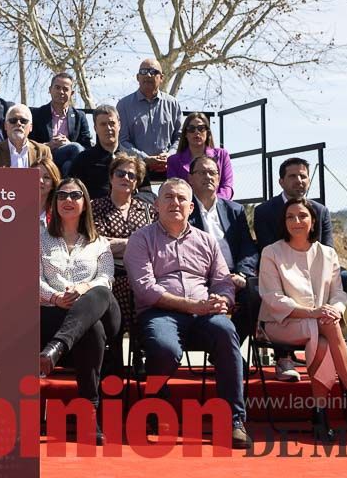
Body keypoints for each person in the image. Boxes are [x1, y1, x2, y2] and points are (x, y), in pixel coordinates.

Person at [126, 178, 251, 449]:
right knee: (165, 349)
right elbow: (146, 289)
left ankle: (234, 421)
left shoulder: (206, 241)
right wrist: (191, 305)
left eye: (181, 198)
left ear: (191, 207)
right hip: (160, 313)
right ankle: (156, 396)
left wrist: (223, 300)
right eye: (168, 197)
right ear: (156, 205)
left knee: (226, 331)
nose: (175, 203)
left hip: (204, 313)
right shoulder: (141, 239)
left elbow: (221, 280)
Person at [251, 157, 347, 381]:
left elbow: (327, 253)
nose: (299, 180)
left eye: (303, 176)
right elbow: (268, 251)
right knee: (285, 283)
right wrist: (315, 308)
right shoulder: (264, 211)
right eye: (292, 176)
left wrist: (333, 308)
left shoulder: (320, 210)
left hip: (317, 271)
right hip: (282, 271)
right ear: (281, 181)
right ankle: (284, 357)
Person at [258, 197, 347, 441]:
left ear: (313, 220)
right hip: (280, 324)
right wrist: (314, 313)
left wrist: (335, 309)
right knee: (323, 325)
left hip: (320, 324)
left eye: (302, 216)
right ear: (283, 222)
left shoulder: (327, 253)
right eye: (290, 217)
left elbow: (339, 293)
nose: (296, 221)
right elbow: (272, 297)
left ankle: (319, 414)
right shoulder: (272, 252)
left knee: (322, 338)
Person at [37, 178, 119, 445]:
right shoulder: (39, 239)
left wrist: (83, 288)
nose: (68, 200)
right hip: (53, 312)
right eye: (62, 195)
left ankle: (57, 347)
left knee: (100, 293)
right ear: (54, 202)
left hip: (100, 310)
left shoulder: (100, 244)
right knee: (90, 330)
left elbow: (105, 279)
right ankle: (88, 414)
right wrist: (55, 296)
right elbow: (30, 279)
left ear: (85, 203)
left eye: (75, 195)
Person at [91, 153, 155, 366]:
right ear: (111, 177)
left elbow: (154, 246)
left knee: (142, 288)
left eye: (131, 175)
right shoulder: (95, 207)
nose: (126, 177)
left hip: (141, 274)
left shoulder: (147, 211)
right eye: (120, 173)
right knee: (122, 288)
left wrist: (117, 243)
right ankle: (116, 357)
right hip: (107, 274)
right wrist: (136, 243)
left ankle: (143, 352)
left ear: (136, 183)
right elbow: (96, 245)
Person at [186, 154, 257, 341]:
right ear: (190, 178)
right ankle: (224, 348)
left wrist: (242, 274)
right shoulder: (184, 209)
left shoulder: (234, 210)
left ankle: (228, 346)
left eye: (212, 173)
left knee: (256, 294)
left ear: (218, 179)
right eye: (202, 172)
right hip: (200, 277)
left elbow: (247, 248)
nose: (208, 176)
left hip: (234, 275)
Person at [115, 58, 182, 179]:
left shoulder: (173, 104)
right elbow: (122, 141)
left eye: (153, 72)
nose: (148, 75)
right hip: (135, 170)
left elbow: (179, 137)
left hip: (169, 168)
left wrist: (169, 155)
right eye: (144, 71)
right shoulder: (123, 105)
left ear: (161, 78)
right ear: (137, 77)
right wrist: (144, 158)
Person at [70, 105, 149, 199]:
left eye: (112, 123)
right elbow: (72, 191)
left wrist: (132, 205)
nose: (108, 128)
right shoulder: (83, 160)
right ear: (95, 128)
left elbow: (147, 193)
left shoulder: (134, 159)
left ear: (119, 125)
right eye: (103, 124)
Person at [29, 72, 93, 176]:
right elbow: (29, 143)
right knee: (75, 148)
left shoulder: (79, 116)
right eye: (57, 88)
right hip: (45, 157)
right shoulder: (36, 114)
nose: (61, 92)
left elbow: (86, 146)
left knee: (69, 162)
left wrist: (68, 144)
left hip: (69, 159)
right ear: (50, 90)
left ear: (71, 93)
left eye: (65, 89)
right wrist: (48, 145)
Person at [166, 112, 234, 199]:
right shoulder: (173, 161)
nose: (196, 132)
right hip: (188, 208)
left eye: (201, 128)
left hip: (217, 205)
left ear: (207, 133)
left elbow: (227, 187)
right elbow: (174, 190)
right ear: (185, 134)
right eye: (191, 129)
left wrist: (214, 204)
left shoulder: (222, 155)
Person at [0, 104, 51, 168]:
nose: (18, 124)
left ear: (31, 127)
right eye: (13, 120)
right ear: (5, 126)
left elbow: (51, 178)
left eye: (23, 121)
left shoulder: (43, 152)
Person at [35, 156, 62, 227]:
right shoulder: (13, 207)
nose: (40, 180)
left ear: (53, 184)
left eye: (46, 177)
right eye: (35, 175)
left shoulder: (59, 213)